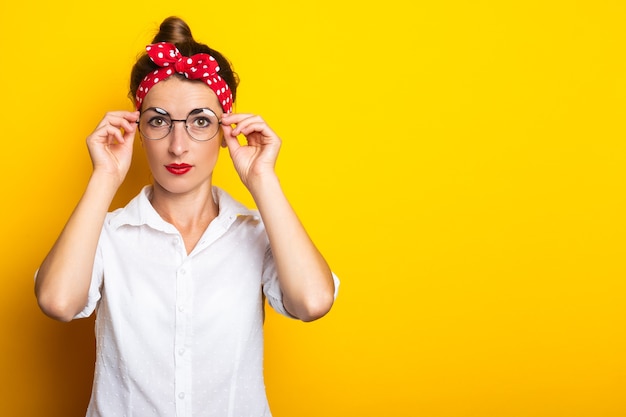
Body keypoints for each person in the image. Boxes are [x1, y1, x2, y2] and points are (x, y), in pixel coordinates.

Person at [35, 16, 339, 417]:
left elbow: (314, 302)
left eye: (200, 121)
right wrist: (105, 176)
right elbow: (57, 301)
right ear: (138, 129)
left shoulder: (257, 234)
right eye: (159, 121)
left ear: (226, 131)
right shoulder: (106, 234)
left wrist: (262, 178)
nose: (178, 146)